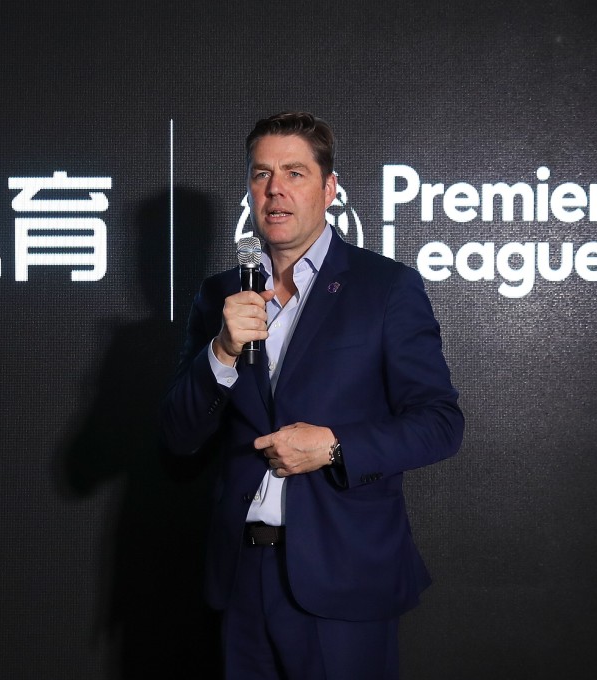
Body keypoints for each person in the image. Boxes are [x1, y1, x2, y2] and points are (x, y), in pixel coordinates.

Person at [161, 111, 464, 680]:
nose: (275, 189)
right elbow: (178, 436)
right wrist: (222, 350)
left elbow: (441, 423)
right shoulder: (220, 295)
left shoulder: (385, 287)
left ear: (329, 189)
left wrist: (333, 446)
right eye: (261, 174)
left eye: (294, 173)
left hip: (344, 575)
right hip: (240, 578)